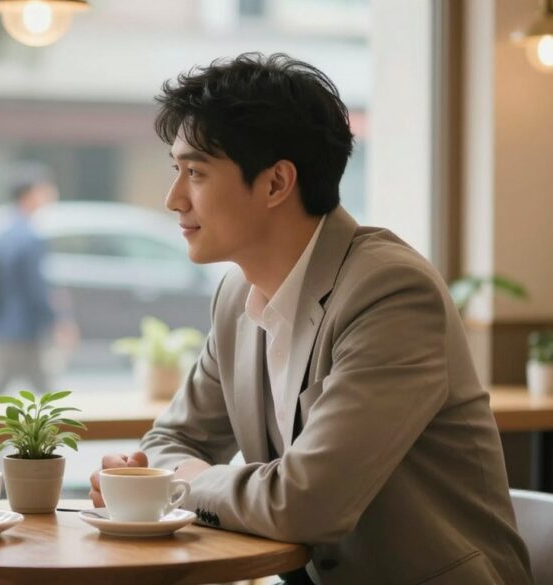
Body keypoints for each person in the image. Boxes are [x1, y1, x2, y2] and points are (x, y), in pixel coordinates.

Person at [88, 53, 532, 584]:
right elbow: (170, 441)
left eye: (196, 172)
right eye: (175, 170)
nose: (173, 199)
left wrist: (179, 483)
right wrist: (175, 474)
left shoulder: (390, 291)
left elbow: (306, 504)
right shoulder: (236, 296)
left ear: (277, 183)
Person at [0, 167, 62, 396]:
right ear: (29, 194)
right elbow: (36, 287)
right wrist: (54, 320)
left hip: (4, 323)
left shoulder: (5, 231)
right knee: (43, 392)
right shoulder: (29, 237)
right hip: (25, 327)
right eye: (43, 190)